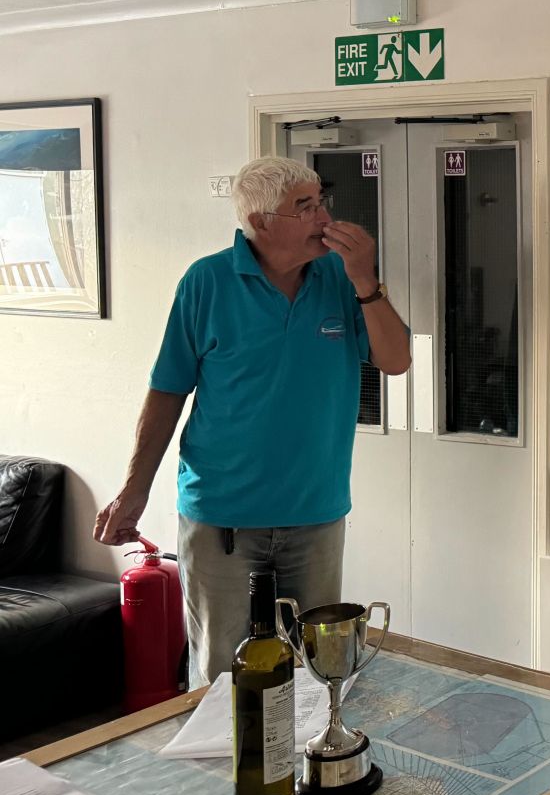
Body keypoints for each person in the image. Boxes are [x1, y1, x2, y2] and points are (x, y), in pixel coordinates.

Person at [94, 157, 411, 684]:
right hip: (223, 518)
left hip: (315, 514)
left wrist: (365, 279)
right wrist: (134, 490)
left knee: (317, 673)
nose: (323, 217)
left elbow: (396, 361)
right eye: (304, 207)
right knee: (225, 677)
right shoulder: (207, 281)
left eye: (321, 202)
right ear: (261, 221)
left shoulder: (339, 277)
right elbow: (167, 391)